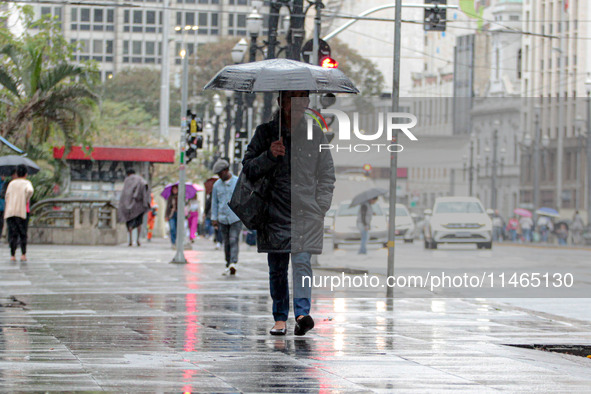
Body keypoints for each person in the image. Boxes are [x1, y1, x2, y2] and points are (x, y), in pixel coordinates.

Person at [242, 90, 335, 336]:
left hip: (306, 210)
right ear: (281, 102)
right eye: (293, 98)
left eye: (303, 98)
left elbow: (327, 174)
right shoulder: (265, 133)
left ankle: (302, 314)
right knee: (278, 266)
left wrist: (321, 205)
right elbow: (248, 169)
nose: (299, 103)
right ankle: (280, 318)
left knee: (303, 262)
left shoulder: (315, 134)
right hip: (274, 210)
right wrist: (269, 155)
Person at [211, 159, 241, 275]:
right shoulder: (216, 186)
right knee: (226, 242)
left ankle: (233, 262)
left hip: (235, 217)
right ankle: (228, 263)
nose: (219, 176)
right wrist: (214, 217)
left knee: (234, 239)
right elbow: (214, 202)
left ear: (226, 170)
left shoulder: (237, 182)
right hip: (222, 218)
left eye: (220, 173)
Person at [4, 165, 34, 261]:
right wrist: (26, 198)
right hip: (22, 212)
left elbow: (6, 196)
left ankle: (12, 255)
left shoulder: (12, 183)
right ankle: (23, 254)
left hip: (11, 212)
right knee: (22, 233)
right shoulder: (26, 183)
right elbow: (30, 190)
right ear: (26, 174)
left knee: (12, 233)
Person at [118, 168, 151, 247]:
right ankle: (138, 240)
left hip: (128, 205)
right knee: (139, 223)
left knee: (129, 223)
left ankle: (130, 240)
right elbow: (145, 187)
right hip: (138, 205)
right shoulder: (140, 179)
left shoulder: (127, 181)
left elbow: (124, 193)